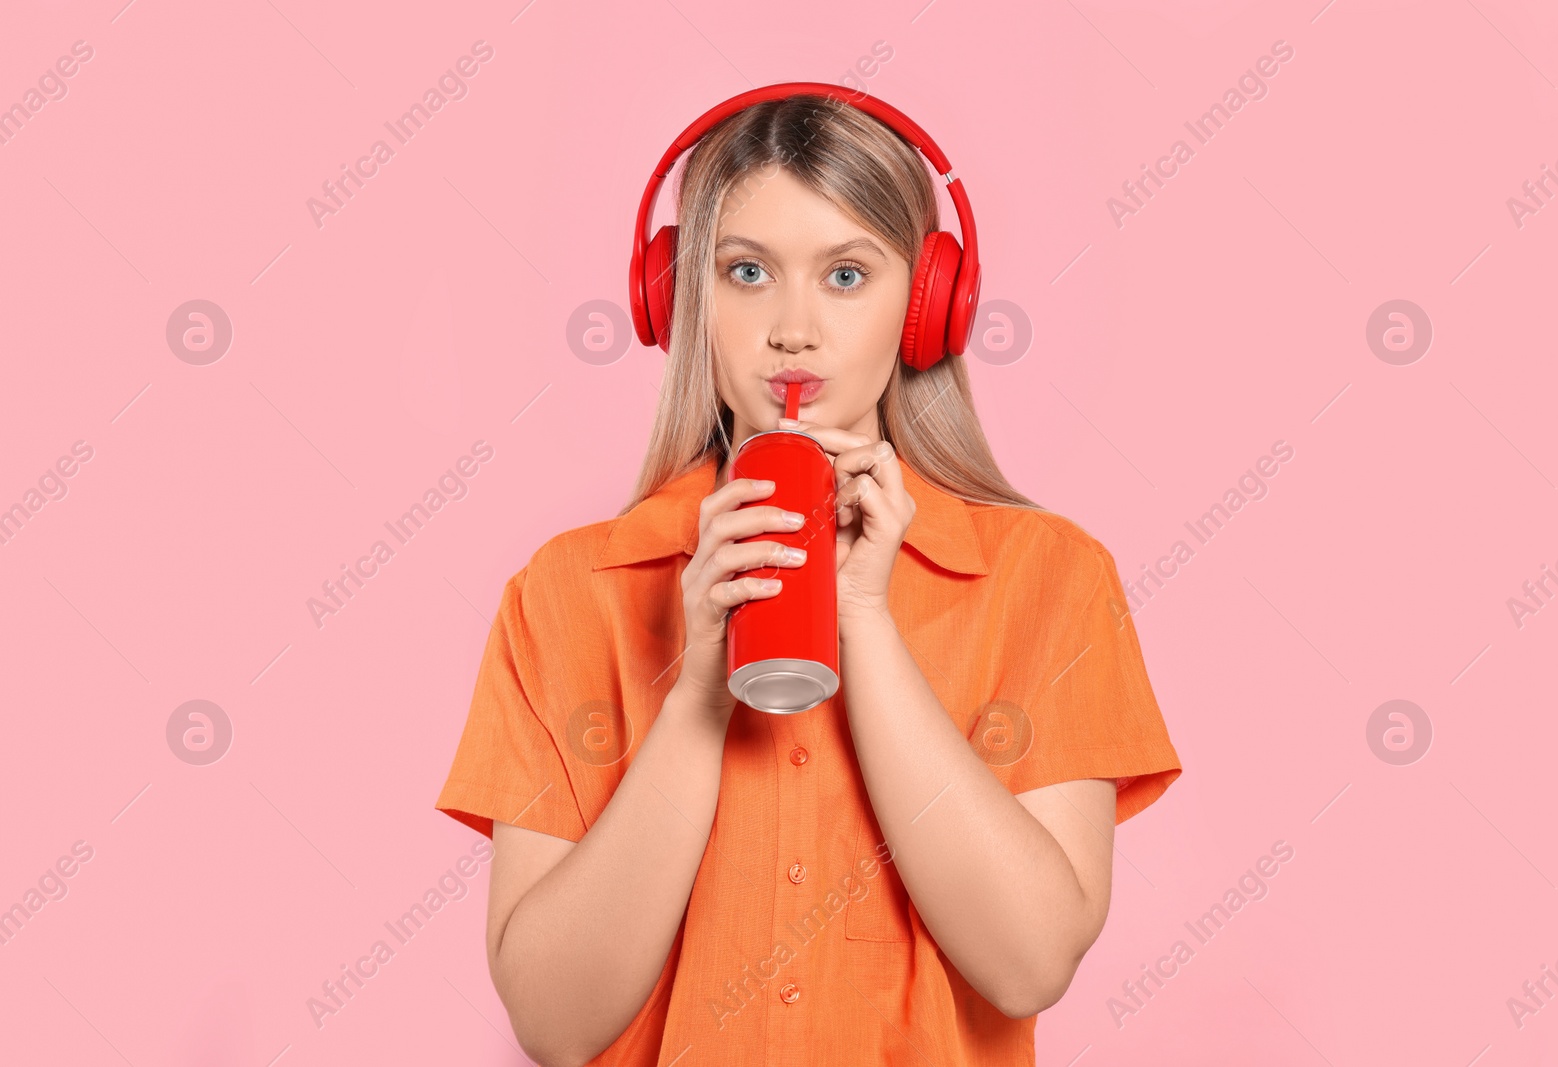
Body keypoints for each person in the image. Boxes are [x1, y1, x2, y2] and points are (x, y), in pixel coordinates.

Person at [435, 86, 1182, 1066]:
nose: (793, 328)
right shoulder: (565, 594)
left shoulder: (1052, 579)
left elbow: (1029, 960)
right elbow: (554, 1021)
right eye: (746, 271)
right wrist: (698, 686)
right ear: (682, 301)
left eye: (845, 274)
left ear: (926, 307)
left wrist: (864, 617)